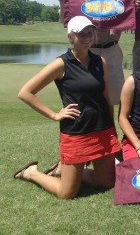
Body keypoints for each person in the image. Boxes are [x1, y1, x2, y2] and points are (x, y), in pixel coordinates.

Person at [14, 16, 120, 199]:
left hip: (103, 129)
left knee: (107, 183)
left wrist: (112, 129)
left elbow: (105, 97)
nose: (87, 37)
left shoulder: (99, 61)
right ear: (71, 36)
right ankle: (31, 172)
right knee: (67, 193)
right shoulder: (61, 64)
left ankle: (64, 171)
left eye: (90, 32)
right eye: (81, 34)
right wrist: (54, 115)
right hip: (77, 132)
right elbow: (25, 92)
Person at [56, 0, 125, 105]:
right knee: (87, 100)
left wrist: (133, 4)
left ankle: (112, 131)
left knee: (116, 99)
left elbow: (124, 19)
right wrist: (62, 2)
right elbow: (64, 21)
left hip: (112, 50)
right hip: (85, 51)